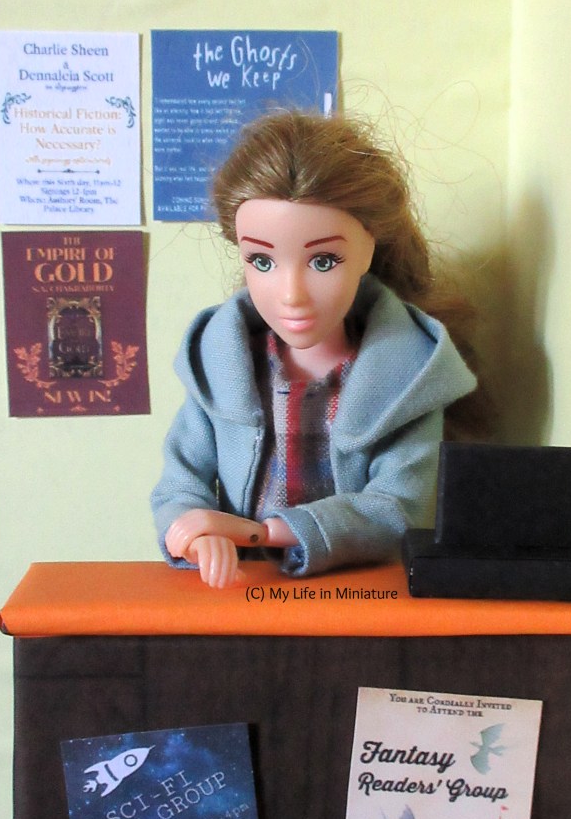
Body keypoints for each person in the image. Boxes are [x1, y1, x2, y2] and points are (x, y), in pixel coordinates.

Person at [151, 110, 477, 588]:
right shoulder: (220, 366)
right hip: (243, 594)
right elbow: (180, 483)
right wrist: (195, 534)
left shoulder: (408, 375)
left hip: (363, 598)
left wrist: (258, 533)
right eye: (261, 260)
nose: (292, 294)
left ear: (368, 249)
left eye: (323, 260)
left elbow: (398, 507)